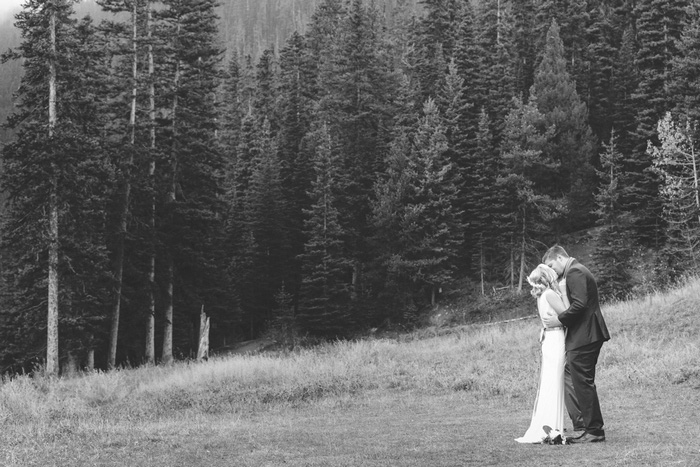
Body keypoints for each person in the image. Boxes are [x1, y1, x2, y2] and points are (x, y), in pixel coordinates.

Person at [541, 245, 610, 444]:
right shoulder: (576, 270)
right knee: (577, 378)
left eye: (551, 265)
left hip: (585, 335)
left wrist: (559, 320)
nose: (551, 270)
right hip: (586, 334)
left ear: (561, 258)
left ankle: (594, 431)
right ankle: (587, 426)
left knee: (583, 383)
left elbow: (579, 305)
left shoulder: (575, 272)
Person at [515, 264, 569, 444]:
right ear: (548, 277)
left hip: (549, 339)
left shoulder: (541, 296)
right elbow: (567, 315)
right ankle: (553, 426)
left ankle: (550, 424)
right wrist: (564, 292)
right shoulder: (550, 294)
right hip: (555, 339)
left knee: (550, 382)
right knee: (555, 381)